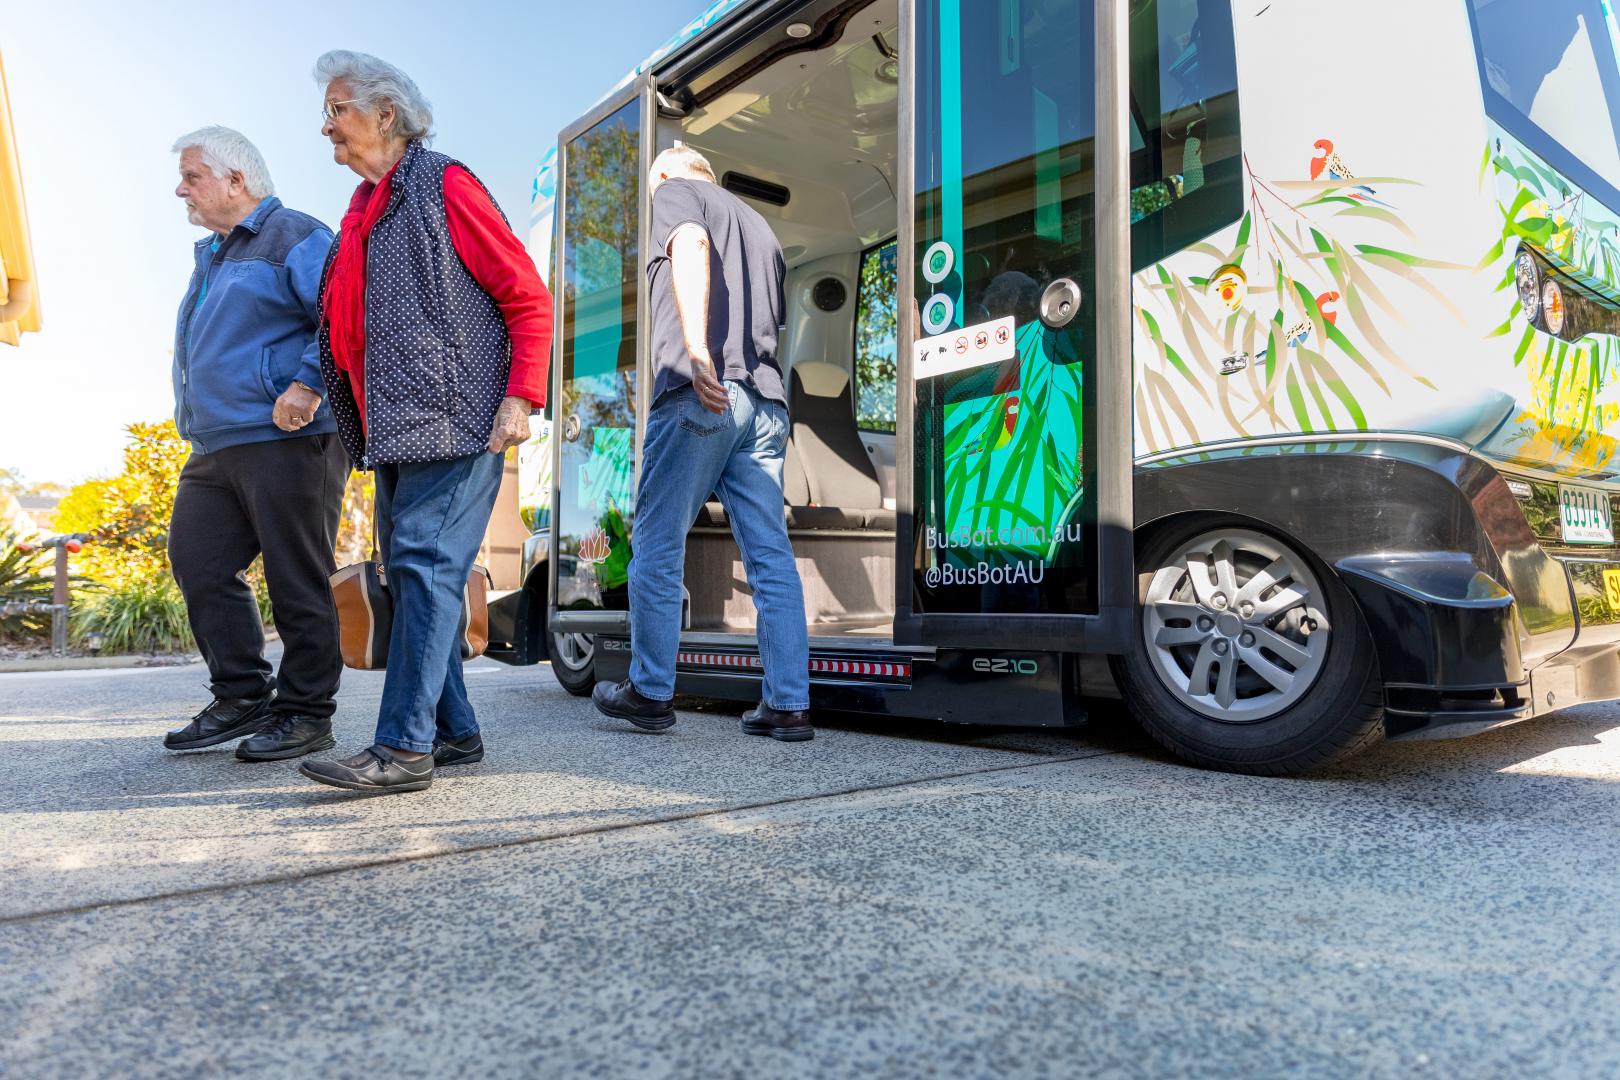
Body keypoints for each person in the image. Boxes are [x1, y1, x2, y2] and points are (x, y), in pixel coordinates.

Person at [298, 51, 551, 793]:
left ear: (386, 114)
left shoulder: (444, 185)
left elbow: (526, 297)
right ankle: (455, 732)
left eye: (337, 108)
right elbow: (346, 329)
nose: (326, 126)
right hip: (392, 428)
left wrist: (522, 394)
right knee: (411, 578)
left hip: (456, 415)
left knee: (424, 566)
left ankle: (403, 749)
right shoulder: (363, 214)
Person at [591, 145, 812, 742]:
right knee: (770, 555)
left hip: (702, 394)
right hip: (765, 405)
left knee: (657, 542)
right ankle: (788, 703)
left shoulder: (675, 193)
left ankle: (651, 692)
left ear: (666, 174)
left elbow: (688, 247)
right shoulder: (763, 230)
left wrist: (695, 350)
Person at [162, 126, 348, 762]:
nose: (180, 189)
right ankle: (242, 694)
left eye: (192, 177)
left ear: (235, 179)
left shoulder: (294, 234)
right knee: (199, 561)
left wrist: (307, 383)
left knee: (299, 577)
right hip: (216, 443)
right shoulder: (213, 252)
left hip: (289, 435)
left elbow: (343, 312)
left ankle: (305, 712)